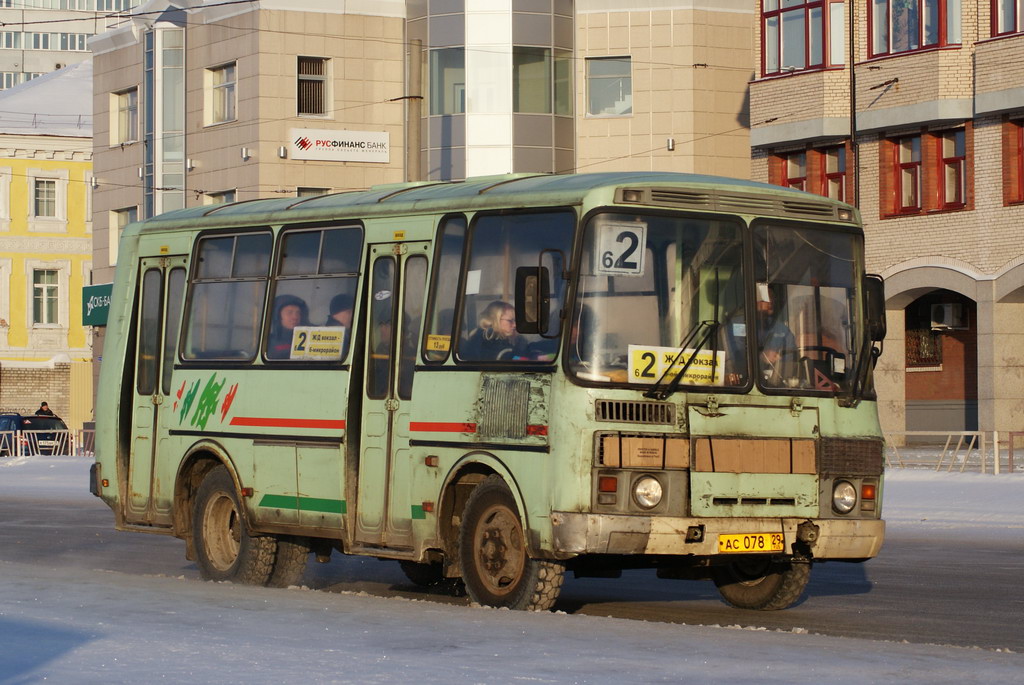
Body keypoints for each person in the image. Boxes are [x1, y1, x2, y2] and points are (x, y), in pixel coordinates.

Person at [755, 284, 797, 386]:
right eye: (766, 298)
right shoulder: (738, 326)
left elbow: (791, 361)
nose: (771, 302)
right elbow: (734, 359)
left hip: (778, 386)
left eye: (772, 298)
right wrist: (760, 356)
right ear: (754, 302)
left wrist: (779, 361)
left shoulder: (784, 331)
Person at [464, 300, 528, 361]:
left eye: (516, 320)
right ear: (495, 320)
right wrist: (527, 360)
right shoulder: (486, 340)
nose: (515, 325)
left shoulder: (514, 339)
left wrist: (534, 353)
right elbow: (506, 357)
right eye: (510, 321)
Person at [268, 294, 309, 359]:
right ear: (278, 316)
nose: (295, 317)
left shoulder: (310, 339)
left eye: (298, 313)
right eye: (289, 312)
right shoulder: (266, 343)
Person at [325, 293, 354, 357]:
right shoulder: (335, 335)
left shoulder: (345, 332)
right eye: (348, 312)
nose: (352, 316)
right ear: (336, 314)